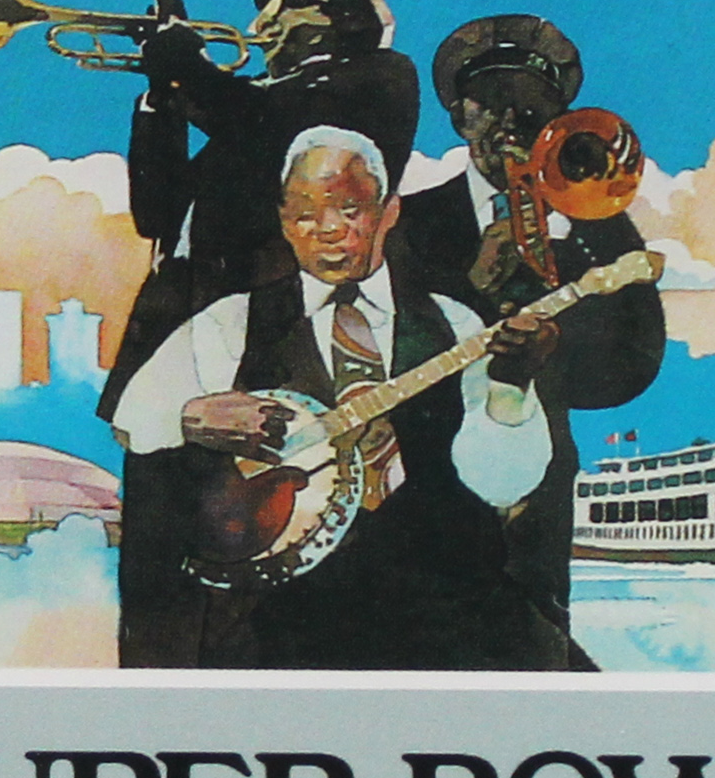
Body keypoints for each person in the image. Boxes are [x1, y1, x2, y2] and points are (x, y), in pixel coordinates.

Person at [109, 128, 558, 673]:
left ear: (389, 212)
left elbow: (504, 484)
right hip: (280, 625)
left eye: (350, 209)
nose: (327, 230)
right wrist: (191, 416)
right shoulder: (231, 323)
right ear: (282, 222)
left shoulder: (456, 323)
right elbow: (132, 420)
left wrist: (510, 387)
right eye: (304, 214)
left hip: (440, 616)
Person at [100, 0, 419, 666]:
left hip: (267, 337)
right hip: (177, 337)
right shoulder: (251, 109)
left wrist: (185, 64)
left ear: (339, 20)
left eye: (282, 14)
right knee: (158, 536)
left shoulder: (371, 82)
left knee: (251, 543)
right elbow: (156, 209)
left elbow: (269, 128)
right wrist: (159, 97)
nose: (259, 29)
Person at [397, 14, 667, 668]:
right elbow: (385, 352)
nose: (510, 124)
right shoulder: (410, 223)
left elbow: (634, 362)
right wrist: (471, 289)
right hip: (428, 483)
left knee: (537, 650)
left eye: (531, 109)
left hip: (538, 494)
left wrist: (554, 351)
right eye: (491, 105)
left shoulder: (597, 222)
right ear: (459, 117)